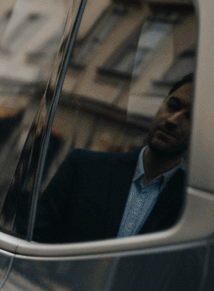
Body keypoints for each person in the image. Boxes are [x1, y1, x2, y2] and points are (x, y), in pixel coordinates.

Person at [34, 74, 193, 244]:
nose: (172, 120)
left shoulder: (193, 209)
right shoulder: (83, 167)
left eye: (191, 117)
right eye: (173, 105)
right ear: (162, 103)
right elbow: (33, 240)